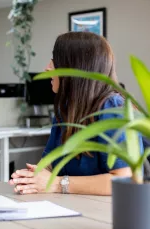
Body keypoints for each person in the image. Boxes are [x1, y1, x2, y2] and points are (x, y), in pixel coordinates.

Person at [9, 32, 143, 196]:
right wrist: (32, 178)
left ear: (74, 67)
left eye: (55, 60)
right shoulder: (65, 109)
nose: (48, 68)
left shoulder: (112, 108)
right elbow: (50, 163)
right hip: (71, 205)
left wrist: (57, 184)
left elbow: (125, 179)